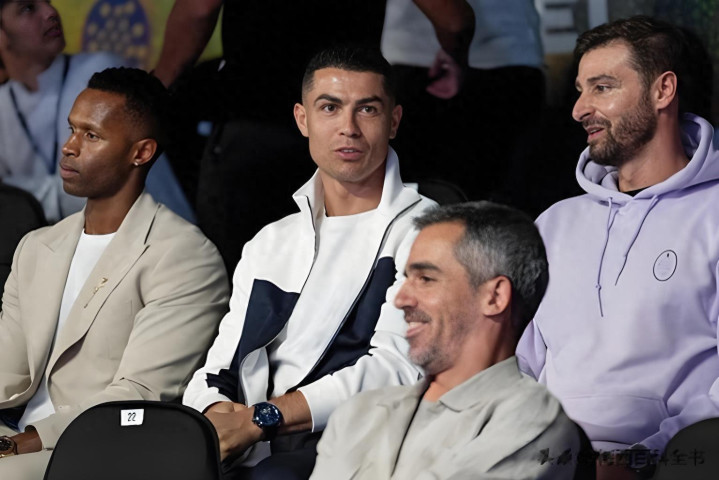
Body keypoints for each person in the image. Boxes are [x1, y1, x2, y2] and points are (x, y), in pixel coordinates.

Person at [183, 46, 436, 479]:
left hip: (351, 446)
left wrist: (263, 419)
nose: (348, 128)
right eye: (330, 108)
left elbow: (398, 369)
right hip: (249, 443)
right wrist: (216, 415)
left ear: (393, 121)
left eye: (368, 109)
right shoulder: (271, 242)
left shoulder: (427, 231)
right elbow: (217, 367)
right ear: (303, 119)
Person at [0, 67, 229, 480]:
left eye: (91, 135)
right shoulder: (37, 246)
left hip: (101, 450)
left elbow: (138, 395)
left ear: (141, 153)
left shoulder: (185, 257)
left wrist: (17, 445)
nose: (69, 147)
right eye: (72, 129)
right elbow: (7, 369)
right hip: (14, 435)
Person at [516, 15, 719, 479]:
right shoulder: (554, 222)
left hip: (674, 461)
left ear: (663, 90)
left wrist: (646, 457)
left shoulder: (713, 213)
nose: (579, 109)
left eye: (602, 87)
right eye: (579, 90)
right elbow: (519, 362)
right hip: (548, 459)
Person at [310, 201, 582, 479]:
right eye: (407, 278)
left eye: (426, 279)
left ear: (494, 297)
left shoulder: (534, 422)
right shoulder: (358, 413)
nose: (401, 299)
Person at [154, 0, 388, 273]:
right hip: (346, 126)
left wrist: (157, 89)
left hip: (256, 114)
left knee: (239, 271)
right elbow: (441, 15)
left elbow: (199, 9)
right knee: (341, 269)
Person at [0, 0, 193, 223]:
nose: (51, 12)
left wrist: (21, 192)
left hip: (151, 232)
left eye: (48, 2)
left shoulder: (99, 74)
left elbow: (100, 187)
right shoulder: (5, 102)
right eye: (28, 8)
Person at [383, 0, 545, 207]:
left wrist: (455, 50)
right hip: (513, 55)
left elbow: (454, 24)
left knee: (427, 211)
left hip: (432, 66)